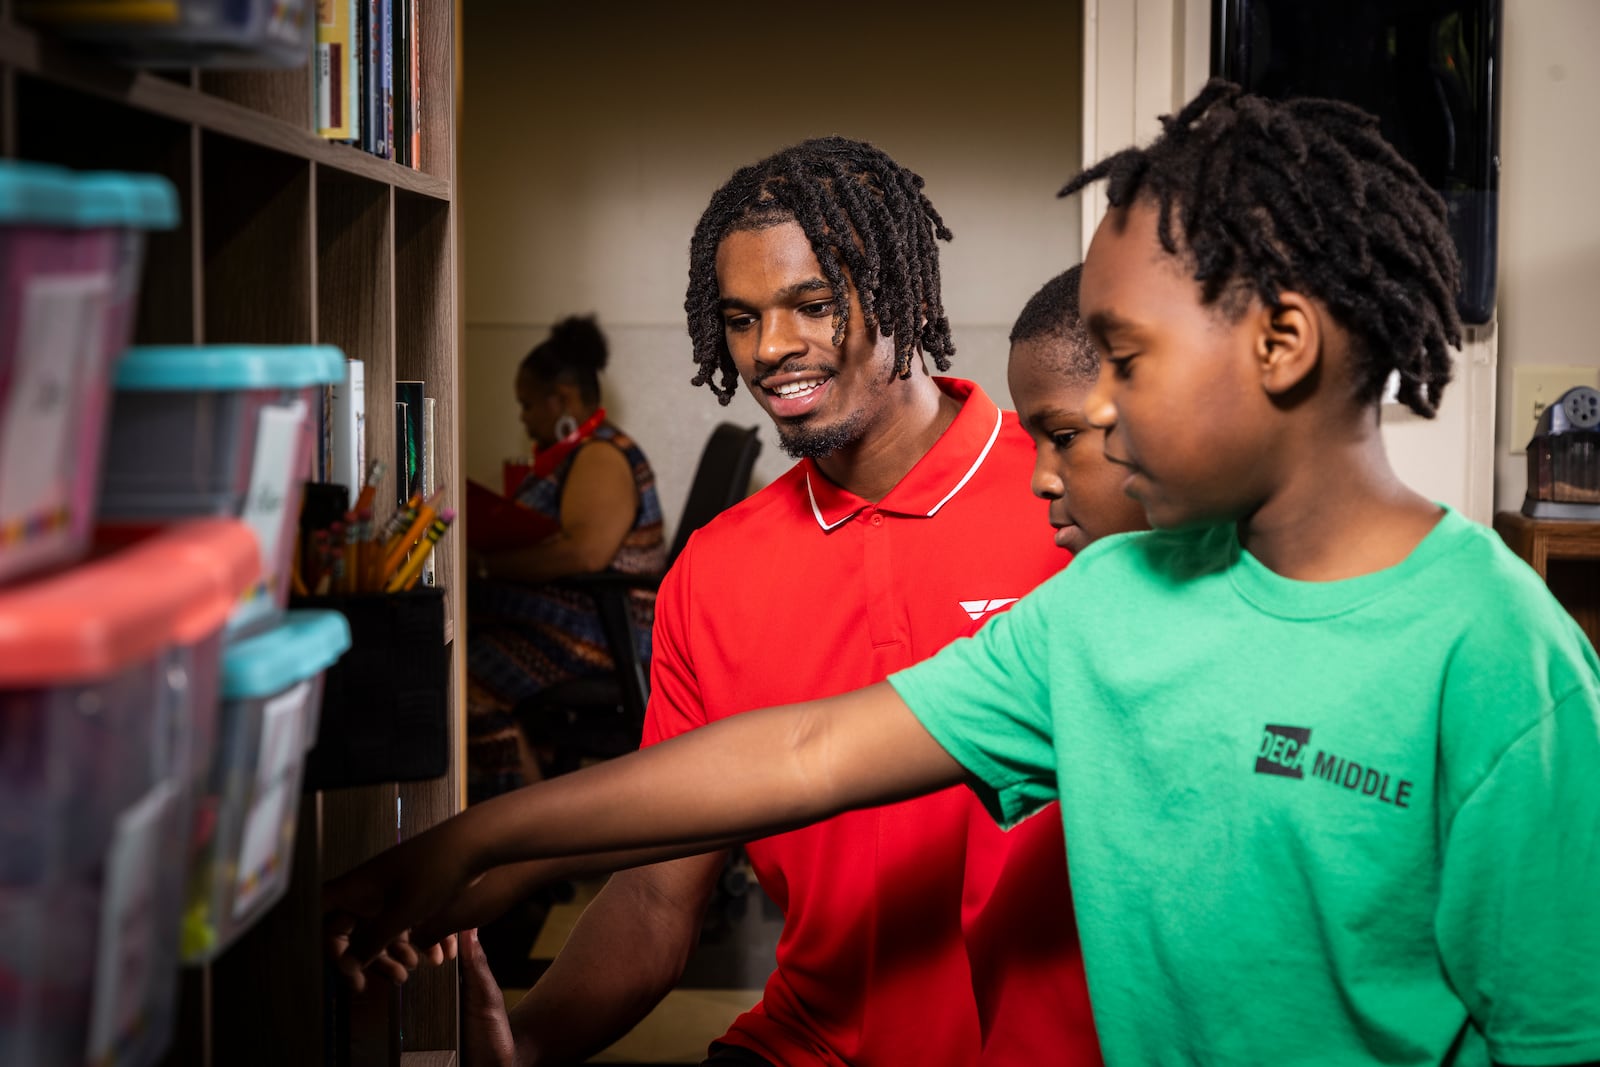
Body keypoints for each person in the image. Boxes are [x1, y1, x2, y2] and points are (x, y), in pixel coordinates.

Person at [330, 83, 1600, 1063]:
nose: (1089, 424)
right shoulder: (1109, 600)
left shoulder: (1493, 654)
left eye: (1121, 362)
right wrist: (478, 841)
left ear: (1277, 343)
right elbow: (804, 753)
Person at [348, 138, 1104, 1066]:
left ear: (902, 297)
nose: (771, 349)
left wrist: (484, 843)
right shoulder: (716, 570)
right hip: (803, 1045)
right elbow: (659, 894)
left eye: (813, 305)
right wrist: (530, 1041)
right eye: (741, 318)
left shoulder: (1073, 504)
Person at [466, 314, 667, 803]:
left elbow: (586, 551)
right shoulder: (574, 452)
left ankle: (524, 842)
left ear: (563, 399)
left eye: (528, 403)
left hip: (605, 631)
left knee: (465, 679)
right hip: (585, 619)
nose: (523, 417)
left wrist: (492, 567)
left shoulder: (601, 456)